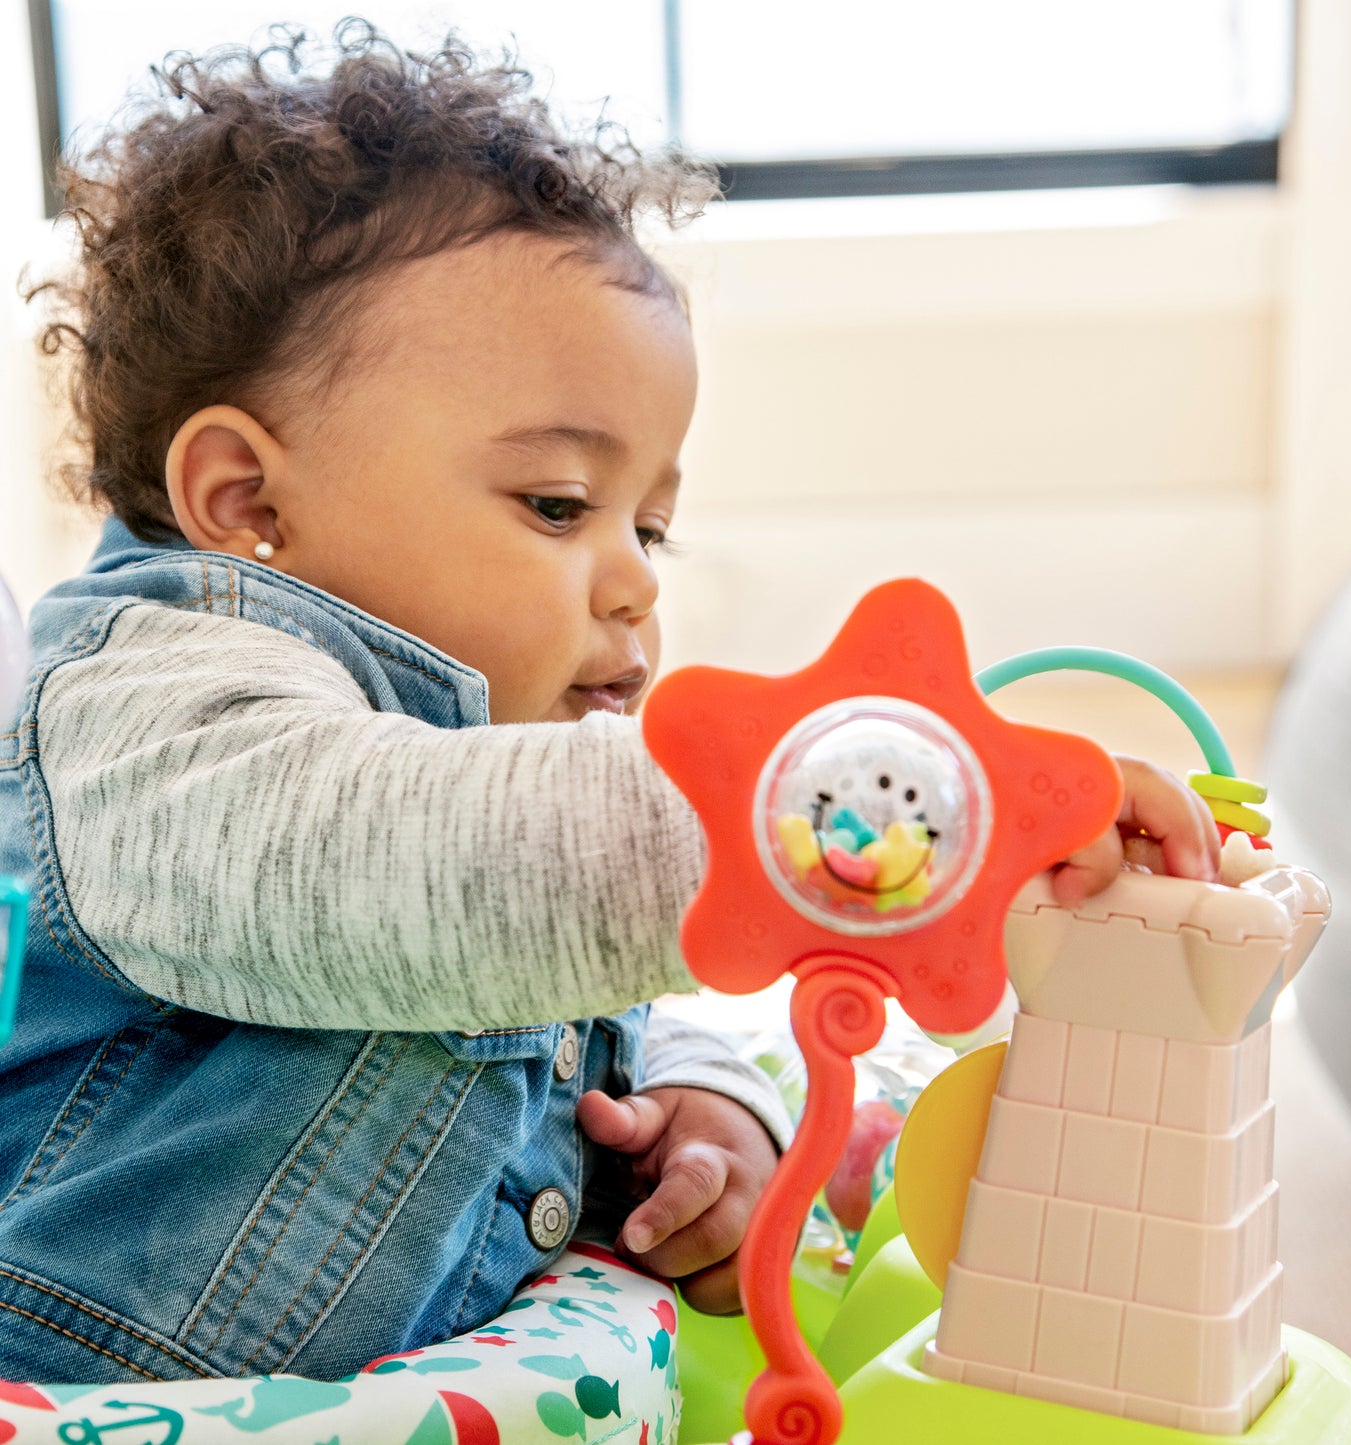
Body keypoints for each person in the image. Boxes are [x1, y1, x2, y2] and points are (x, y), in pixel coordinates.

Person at [0, 23, 1220, 1388]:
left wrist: (710, 1110)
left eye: (651, 528)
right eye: (560, 506)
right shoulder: (147, 702)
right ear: (248, 501)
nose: (635, 584)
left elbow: (606, 980)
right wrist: (897, 822)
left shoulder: (504, 743)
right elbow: (420, 869)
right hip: (108, 1387)